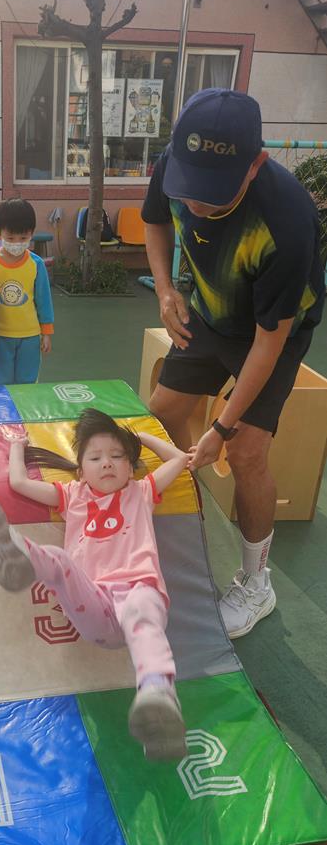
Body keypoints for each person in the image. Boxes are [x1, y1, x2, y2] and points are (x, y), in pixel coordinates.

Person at [141, 88, 326, 638]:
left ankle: (256, 582)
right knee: (162, 411)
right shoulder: (174, 163)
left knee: (246, 452)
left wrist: (221, 428)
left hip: (271, 333)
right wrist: (165, 290)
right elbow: (155, 221)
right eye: (189, 188)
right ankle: (183, 526)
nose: (196, 203)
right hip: (207, 309)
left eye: (213, 191)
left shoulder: (287, 221)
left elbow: (269, 342)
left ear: (256, 163)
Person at [0, 408, 190, 761]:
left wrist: (139, 436)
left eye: (118, 456)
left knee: (141, 609)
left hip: (138, 592)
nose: (107, 463)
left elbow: (179, 459)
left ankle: (158, 697)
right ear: (81, 471)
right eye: (96, 458)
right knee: (60, 560)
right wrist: (17, 448)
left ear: (131, 468)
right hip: (93, 604)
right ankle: (16, 555)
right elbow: (19, 483)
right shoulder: (73, 495)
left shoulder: (141, 491)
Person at [0, 197, 54, 384]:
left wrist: (46, 332)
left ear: (32, 233)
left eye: (23, 238)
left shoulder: (36, 264)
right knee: (2, 381)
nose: (17, 243)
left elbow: (44, 300)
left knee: (27, 382)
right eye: (10, 238)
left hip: (30, 336)